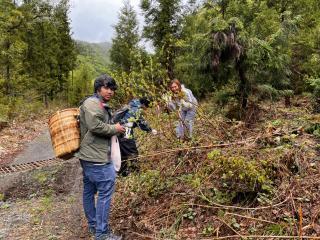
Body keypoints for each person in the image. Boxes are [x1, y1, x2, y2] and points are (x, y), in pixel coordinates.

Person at [75, 74, 125, 240]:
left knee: (89, 190)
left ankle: (94, 226)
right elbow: (95, 126)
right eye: (106, 88)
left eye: (112, 89)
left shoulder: (99, 103)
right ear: (98, 88)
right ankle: (101, 233)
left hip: (91, 155)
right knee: (104, 192)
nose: (110, 91)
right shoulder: (91, 103)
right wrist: (115, 128)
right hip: (95, 157)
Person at [114, 97, 157, 176]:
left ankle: (123, 173)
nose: (146, 109)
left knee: (123, 152)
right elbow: (141, 122)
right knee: (132, 151)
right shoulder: (136, 109)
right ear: (144, 104)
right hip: (126, 130)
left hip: (118, 130)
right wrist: (150, 130)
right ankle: (136, 173)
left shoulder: (131, 104)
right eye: (147, 107)